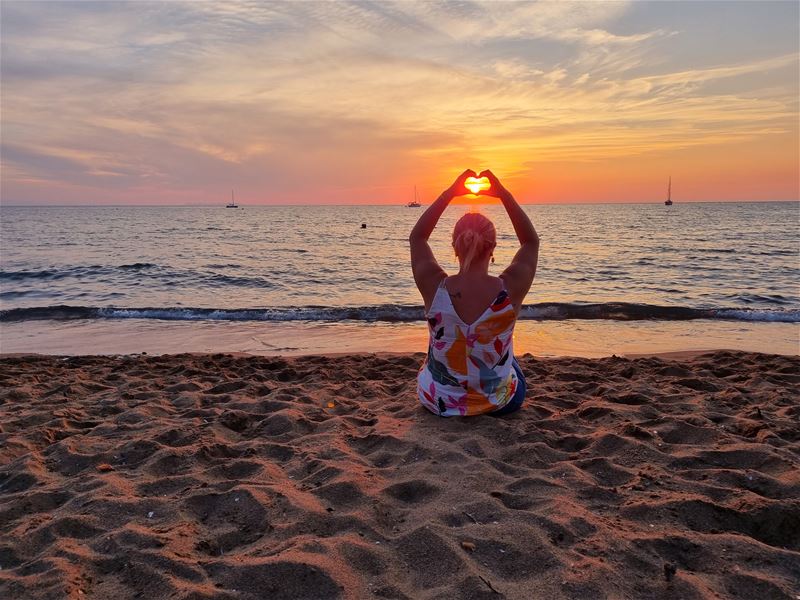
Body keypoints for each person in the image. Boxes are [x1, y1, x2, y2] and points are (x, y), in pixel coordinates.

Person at [409, 169, 539, 417]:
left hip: (439, 402)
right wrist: (502, 194)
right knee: (510, 361)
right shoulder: (510, 287)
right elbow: (530, 242)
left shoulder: (434, 285)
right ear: (493, 249)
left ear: (454, 247)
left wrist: (450, 193)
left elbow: (417, 238)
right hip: (497, 404)